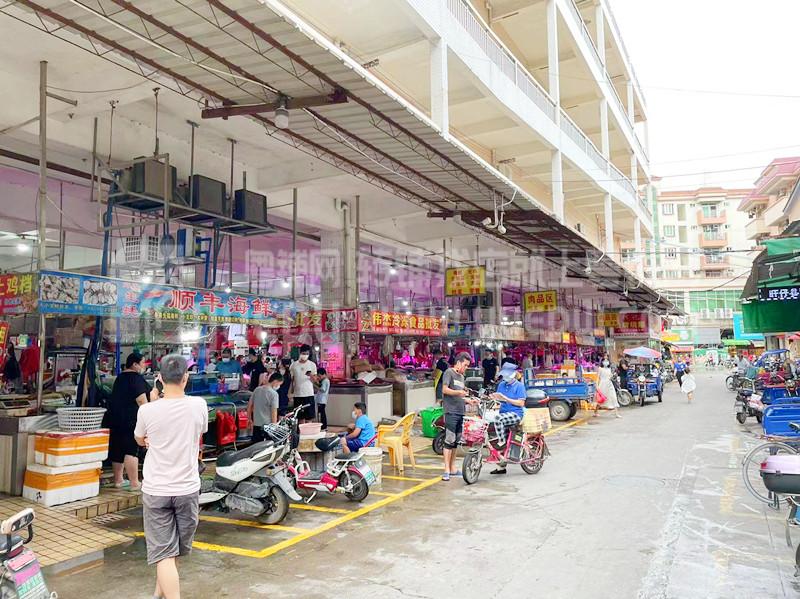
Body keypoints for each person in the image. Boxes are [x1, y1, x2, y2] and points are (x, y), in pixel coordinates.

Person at [134, 354, 207, 599]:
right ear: (186, 377)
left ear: (160, 378)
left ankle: (160, 593)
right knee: (171, 551)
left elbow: (139, 439)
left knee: (165, 553)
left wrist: (155, 401)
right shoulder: (199, 406)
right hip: (187, 489)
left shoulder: (147, 411)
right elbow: (200, 430)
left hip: (156, 491)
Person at [107, 353, 158, 490]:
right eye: (142, 363)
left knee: (117, 450)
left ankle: (118, 480)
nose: (144, 366)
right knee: (131, 450)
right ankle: (134, 483)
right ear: (135, 364)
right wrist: (149, 417)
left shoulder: (120, 378)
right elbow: (141, 400)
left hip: (116, 419)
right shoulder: (135, 378)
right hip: (131, 420)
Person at [441, 352, 475, 481]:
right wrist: (458, 392)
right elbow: (444, 390)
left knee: (456, 441)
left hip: (461, 412)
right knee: (449, 440)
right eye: (465, 365)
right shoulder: (449, 373)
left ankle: (452, 468)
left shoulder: (461, 377)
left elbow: (460, 395)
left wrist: (469, 401)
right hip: (451, 411)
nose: (466, 368)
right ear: (459, 362)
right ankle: (446, 470)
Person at [488, 362, 527, 475]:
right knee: (489, 426)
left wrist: (506, 399)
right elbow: (499, 400)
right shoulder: (501, 385)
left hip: (515, 414)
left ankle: (502, 442)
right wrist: (493, 398)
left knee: (498, 419)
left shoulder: (519, 386)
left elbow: (521, 403)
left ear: (513, 374)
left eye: (507, 375)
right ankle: (501, 467)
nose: (505, 377)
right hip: (504, 413)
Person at [247, 372, 281, 443]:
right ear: (275, 381)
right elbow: (274, 412)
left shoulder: (257, 389)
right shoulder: (274, 394)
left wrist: (249, 419)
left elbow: (249, 405)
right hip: (267, 426)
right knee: (267, 446)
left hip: (256, 424)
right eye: (279, 384)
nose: (278, 386)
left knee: (256, 445)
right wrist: (274, 426)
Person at [290, 344, 317, 422]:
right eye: (303, 353)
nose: (305, 355)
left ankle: (308, 430)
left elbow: (315, 380)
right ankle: (301, 430)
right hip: (298, 395)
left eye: (307, 354)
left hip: (309, 394)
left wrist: (310, 375)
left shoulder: (312, 365)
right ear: (300, 353)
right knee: (300, 418)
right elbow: (292, 380)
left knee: (309, 418)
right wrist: (290, 393)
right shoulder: (294, 365)